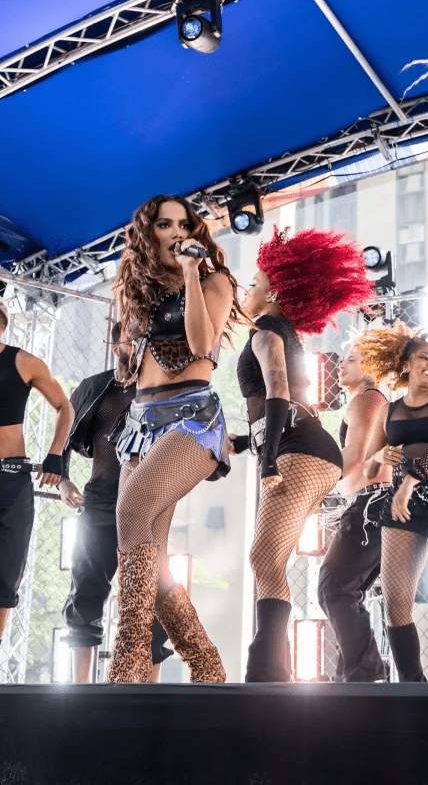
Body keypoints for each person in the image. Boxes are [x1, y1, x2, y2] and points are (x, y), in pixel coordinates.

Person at [107, 194, 247, 684]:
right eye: (164, 225)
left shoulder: (213, 280)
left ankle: (127, 661)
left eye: (183, 224)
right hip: (140, 422)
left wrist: (191, 273)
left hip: (191, 417)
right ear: (149, 233)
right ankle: (206, 666)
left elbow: (201, 346)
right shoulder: (135, 289)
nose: (175, 233)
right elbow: (126, 364)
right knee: (147, 549)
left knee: (129, 514)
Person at [232, 226, 373, 682]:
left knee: (264, 556)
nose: (246, 290)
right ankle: (271, 667)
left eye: (252, 284)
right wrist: (243, 443)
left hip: (298, 450)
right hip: (305, 448)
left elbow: (277, 395)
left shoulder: (268, 329)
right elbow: (280, 401)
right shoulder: (281, 330)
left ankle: (269, 669)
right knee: (268, 557)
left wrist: (269, 458)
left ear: (273, 293)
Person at [60, 321, 172, 683]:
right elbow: (63, 432)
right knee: (87, 584)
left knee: (151, 590)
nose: (140, 345)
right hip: (100, 496)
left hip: (146, 501)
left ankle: (150, 685)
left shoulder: (158, 390)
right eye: (133, 339)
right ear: (116, 348)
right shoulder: (96, 387)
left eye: (145, 339)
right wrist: (61, 478)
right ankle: (79, 683)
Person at [357, 320, 428, 681]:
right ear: (406, 363)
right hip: (402, 507)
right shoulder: (389, 410)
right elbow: (366, 468)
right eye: (425, 357)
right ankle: (413, 684)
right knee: (396, 602)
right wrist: (381, 459)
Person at [0, 298, 72, 644]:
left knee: (6, 571)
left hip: (12, 479)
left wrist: (55, 454)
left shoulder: (22, 362)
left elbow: (63, 406)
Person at [317, 342, 390, 682]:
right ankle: (359, 672)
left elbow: (355, 457)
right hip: (371, 505)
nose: (342, 364)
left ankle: (367, 672)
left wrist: (312, 485)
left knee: (335, 588)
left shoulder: (365, 400)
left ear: (371, 365)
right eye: (342, 359)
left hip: (369, 505)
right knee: (343, 590)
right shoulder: (369, 401)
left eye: (352, 360)